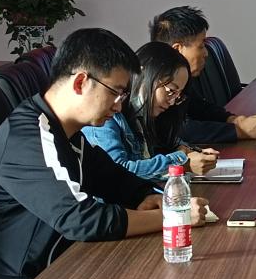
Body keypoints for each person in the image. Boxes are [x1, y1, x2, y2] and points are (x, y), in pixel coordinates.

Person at [0, 28, 209, 279]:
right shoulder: (29, 138)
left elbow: (110, 176)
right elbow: (82, 219)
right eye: (115, 92)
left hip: (62, 271)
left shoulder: (67, 132)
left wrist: (144, 195)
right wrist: (174, 216)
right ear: (81, 82)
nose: (119, 105)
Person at [83, 42, 219, 179]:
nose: (172, 102)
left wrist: (191, 151)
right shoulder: (106, 117)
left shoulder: (146, 114)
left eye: (178, 96)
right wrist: (183, 164)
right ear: (144, 74)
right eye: (171, 91)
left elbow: (169, 144)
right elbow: (118, 172)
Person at [149, 5, 256, 143]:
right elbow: (178, 130)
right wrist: (240, 131)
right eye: (201, 46)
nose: (206, 53)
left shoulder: (180, 79)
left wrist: (234, 120)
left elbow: (200, 108)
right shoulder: (155, 81)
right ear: (177, 49)